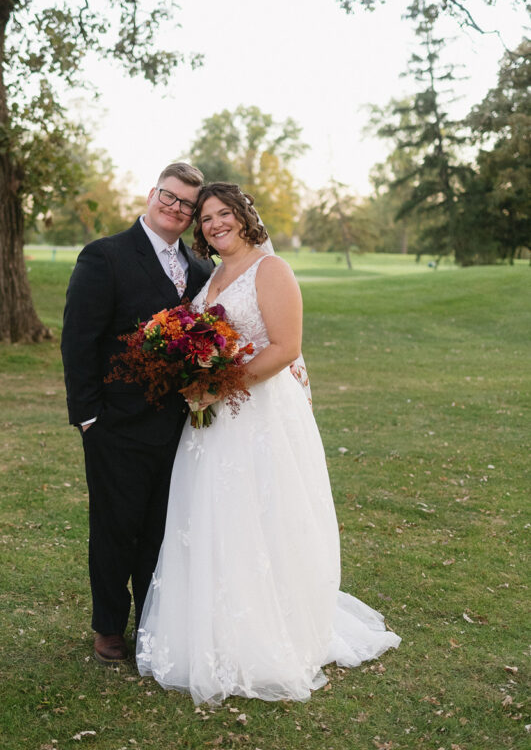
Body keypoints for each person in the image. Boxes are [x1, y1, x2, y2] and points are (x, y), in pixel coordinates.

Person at [136, 182, 401, 704]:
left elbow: (285, 347)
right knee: (214, 517)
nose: (214, 224)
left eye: (222, 214)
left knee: (260, 517)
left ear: (243, 215)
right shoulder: (212, 276)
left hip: (258, 415)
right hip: (211, 421)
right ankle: (211, 631)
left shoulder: (271, 270)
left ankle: (266, 634)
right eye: (205, 219)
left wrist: (219, 384)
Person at [61, 163, 214, 665]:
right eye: (169, 197)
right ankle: (108, 626)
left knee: (161, 530)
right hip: (116, 425)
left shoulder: (200, 270)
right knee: (114, 527)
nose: (175, 209)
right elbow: (78, 340)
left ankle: (152, 620)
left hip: (179, 427)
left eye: (186, 205)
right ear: (152, 195)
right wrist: (88, 417)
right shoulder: (106, 256)